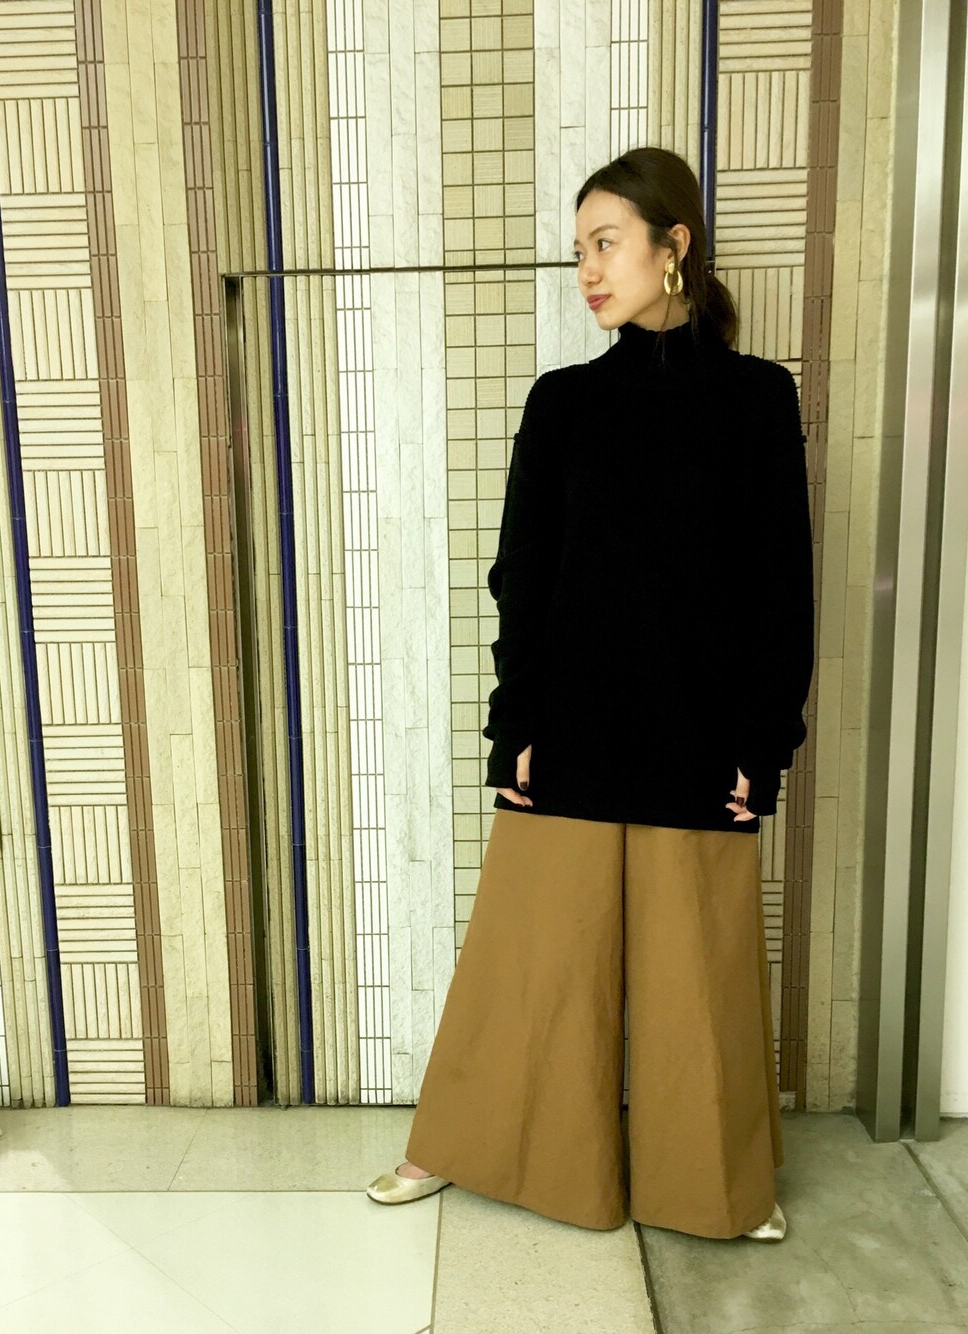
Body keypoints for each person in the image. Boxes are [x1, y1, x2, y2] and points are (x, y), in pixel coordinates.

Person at [367, 147, 814, 1242]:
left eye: (605, 244)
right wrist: (514, 724)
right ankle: (462, 1144)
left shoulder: (757, 399)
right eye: (579, 251)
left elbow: (779, 587)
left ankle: (716, 1187)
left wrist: (763, 744)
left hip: (699, 742)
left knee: (697, 986)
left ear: (674, 248)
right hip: (570, 732)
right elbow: (522, 576)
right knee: (534, 968)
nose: (588, 271)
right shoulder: (564, 402)